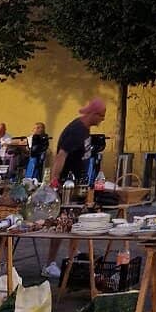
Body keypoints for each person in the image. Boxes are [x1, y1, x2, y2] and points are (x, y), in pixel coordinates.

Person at [42, 99, 107, 278]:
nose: (102, 119)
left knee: (75, 222)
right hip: (67, 186)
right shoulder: (75, 131)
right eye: (101, 115)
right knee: (62, 224)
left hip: (79, 186)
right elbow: (61, 156)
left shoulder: (85, 131)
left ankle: (72, 256)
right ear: (92, 113)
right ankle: (49, 263)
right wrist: (55, 181)